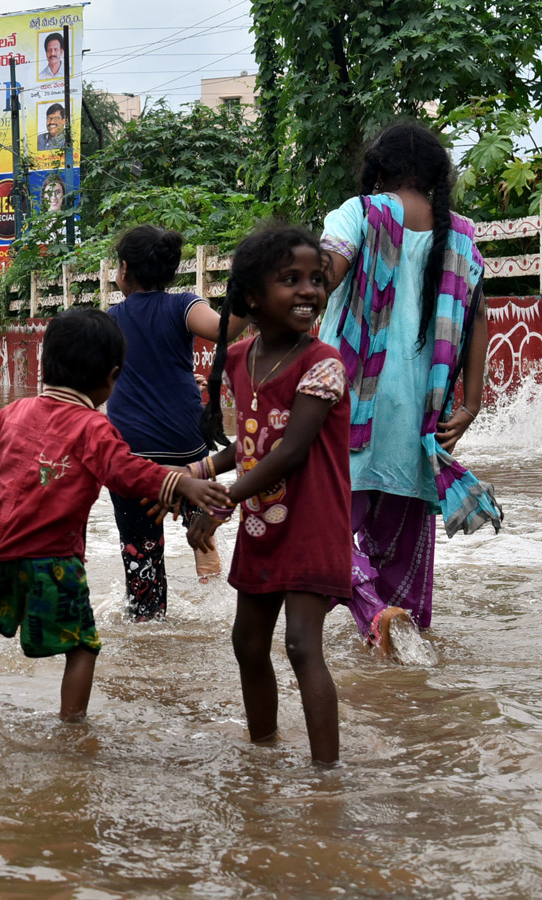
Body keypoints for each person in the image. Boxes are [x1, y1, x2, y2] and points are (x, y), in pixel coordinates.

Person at [0, 308, 230, 721]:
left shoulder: (14, 414)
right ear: (112, 378)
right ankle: (72, 728)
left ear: (45, 364)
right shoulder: (93, 428)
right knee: (82, 647)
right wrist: (182, 483)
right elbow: (126, 471)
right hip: (54, 562)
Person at [318, 121, 501, 655]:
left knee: (320, 531)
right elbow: (479, 318)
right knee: (403, 564)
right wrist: (470, 403)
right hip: (420, 420)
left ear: (380, 167)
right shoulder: (462, 236)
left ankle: (371, 611)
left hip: (346, 407)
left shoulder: (361, 213)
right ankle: (399, 655)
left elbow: (326, 271)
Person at [190, 225, 350, 766]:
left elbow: (291, 451)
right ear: (253, 296)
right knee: (247, 645)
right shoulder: (238, 359)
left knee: (302, 646)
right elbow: (254, 442)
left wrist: (221, 500)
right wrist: (199, 471)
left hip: (312, 523)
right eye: (291, 280)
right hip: (263, 524)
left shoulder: (323, 363)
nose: (308, 291)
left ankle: (327, 778)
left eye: (315, 281)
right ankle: (263, 757)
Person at [106, 225, 249, 619]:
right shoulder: (182, 306)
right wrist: (246, 286)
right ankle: (204, 547)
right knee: (200, 516)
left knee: (142, 559)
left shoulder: (111, 319)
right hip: (186, 449)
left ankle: (149, 623)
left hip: (132, 457)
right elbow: (227, 331)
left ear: (123, 269)